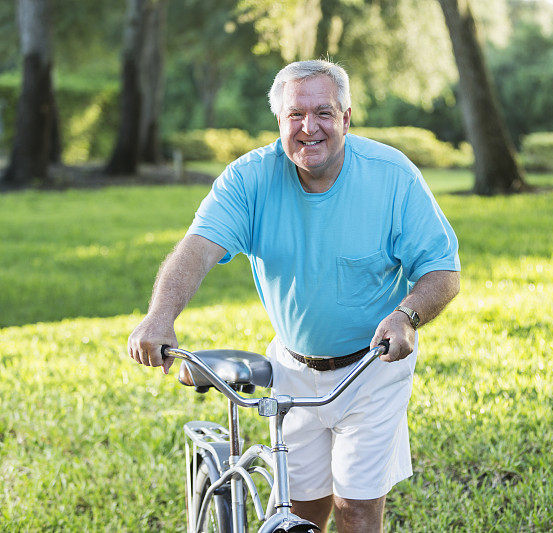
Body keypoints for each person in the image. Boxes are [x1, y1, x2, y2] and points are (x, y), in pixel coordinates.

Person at [128, 60, 460, 533]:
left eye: (323, 113)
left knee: (358, 508)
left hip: (371, 367)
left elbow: (442, 271)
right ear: (279, 121)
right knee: (301, 510)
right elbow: (197, 249)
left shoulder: (392, 176)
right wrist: (159, 316)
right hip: (292, 368)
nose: (309, 128)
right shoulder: (249, 179)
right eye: (294, 115)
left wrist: (406, 315)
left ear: (346, 117)